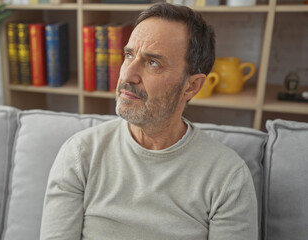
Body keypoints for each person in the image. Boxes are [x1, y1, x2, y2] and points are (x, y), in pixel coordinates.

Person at [40, 2, 258, 240]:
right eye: (129, 55)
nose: (127, 75)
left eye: (153, 62)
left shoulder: (227, 177)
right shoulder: (80, 155)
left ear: (192, 86)